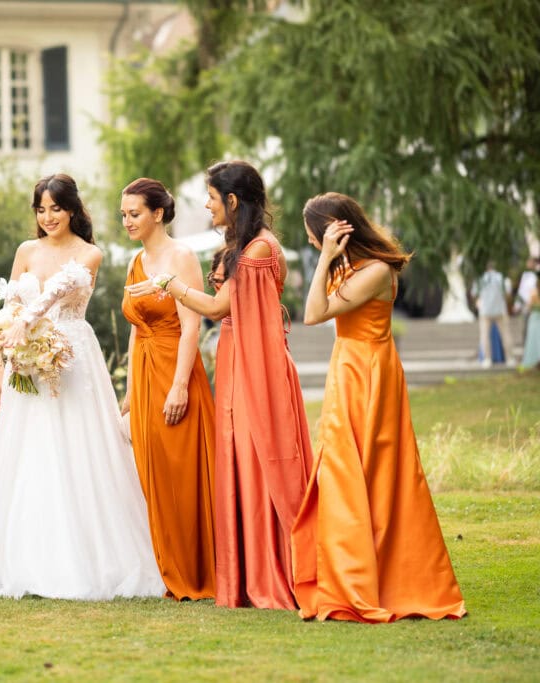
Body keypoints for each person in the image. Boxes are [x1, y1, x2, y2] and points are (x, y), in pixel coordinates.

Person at [0, 173, 165, 600]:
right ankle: (25, 557)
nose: (48, 217)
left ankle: (89, 557)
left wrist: (26, 324)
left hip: (70, 355)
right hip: (26, 358)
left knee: (79, 452)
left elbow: (57, 291)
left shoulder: (90, 253)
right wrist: (9, 333)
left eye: (55, 208)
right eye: (41, 209)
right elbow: (11, 301)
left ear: (72, 209)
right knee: (29, 452)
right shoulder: (26, 250)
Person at [126, 160, 313, 610]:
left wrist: (169, 285)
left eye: (211, 198)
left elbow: (216, 307)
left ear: (231, 200)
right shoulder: (244, 247)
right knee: (239, 461)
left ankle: (280, 567)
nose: (206, 206)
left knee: (261, 458)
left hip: (256, 360)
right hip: (238, 356)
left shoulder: (258, 251)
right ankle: (248, 569)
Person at [291, 192, 466, 622]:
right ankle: (349, 567)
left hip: (368, 373)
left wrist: (324, 260)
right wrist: (330, 260)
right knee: (346, 469)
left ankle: (370, 577)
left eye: (316, 236)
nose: (314, 244)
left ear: (337, 231)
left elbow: (313, 314)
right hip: (350, 368)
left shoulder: (375, 271)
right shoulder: (353, 269)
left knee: (371, 472)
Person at [118, 177, 216, 601]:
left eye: (134, 213)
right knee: (149, 469)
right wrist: (127, 387)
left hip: (174, 369)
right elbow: (136, 329)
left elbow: (193, 325)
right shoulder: (134, 262)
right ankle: (161, 563)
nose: (127, 221)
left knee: (180, 468)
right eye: (123, 215)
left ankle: (193, 567)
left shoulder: (182, 256)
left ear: (158, 213)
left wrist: (179, 386)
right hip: (142, 370)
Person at [471, 262, 514, 367]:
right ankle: (510, 359)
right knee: (505, 335)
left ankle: (487, 359)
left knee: (484, 336)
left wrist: (479, 303)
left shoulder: (480, 279)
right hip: (500, 310)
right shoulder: (502, 278)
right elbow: (508, 294)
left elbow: (474, 293)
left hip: (485, 311)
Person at [520, 276, 540, 369]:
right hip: (535, 318)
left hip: (535, 318)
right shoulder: (534, 293)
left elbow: (528, 306)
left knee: (534, 340)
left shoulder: (533, 293)